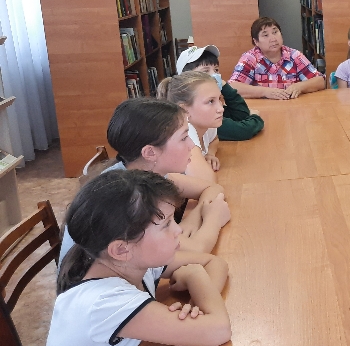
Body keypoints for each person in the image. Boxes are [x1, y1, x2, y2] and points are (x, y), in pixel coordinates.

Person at [46, 170, 231, 346]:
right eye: (166, 225)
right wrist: (195, 275)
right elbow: (219, 330)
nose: (178, 229)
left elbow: (215, 263)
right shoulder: (105, 303)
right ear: (121, 249)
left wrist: (196, 307)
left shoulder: (131, 261)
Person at [58, 98, 231, 264]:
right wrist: (213, 218)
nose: (192, 145)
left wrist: (193, 217)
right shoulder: (132, 196)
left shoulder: (142, 171)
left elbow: (211, 187)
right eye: (184, 138)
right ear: (150, 153)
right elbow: (197, 249)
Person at [176, 44, 265, 141]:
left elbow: (240, 115)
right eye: (205, 71)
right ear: (187, 79)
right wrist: (255, 117)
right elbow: (243, 131)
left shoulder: (211, 102)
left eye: (216, 70)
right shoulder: (199, 108)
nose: (214, 75)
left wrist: (224, 86)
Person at [229, 17, 326, 99]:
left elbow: (320, 81)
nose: (273, 39)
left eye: (275, 32)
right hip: (263, 110)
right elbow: (233, 87)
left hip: (292, 109)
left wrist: (300, 87)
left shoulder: (294, 55)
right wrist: (265, 92)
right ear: (256, 42)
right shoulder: (250, 58)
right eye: (265, 35)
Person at [158, 71, 223, 182]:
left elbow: (214, 140)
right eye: (210, 101)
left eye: (219, 99)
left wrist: (210, 153)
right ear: (184, 110)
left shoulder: (207, 125)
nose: (221, 108)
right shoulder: (185, 130)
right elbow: (205, 181)